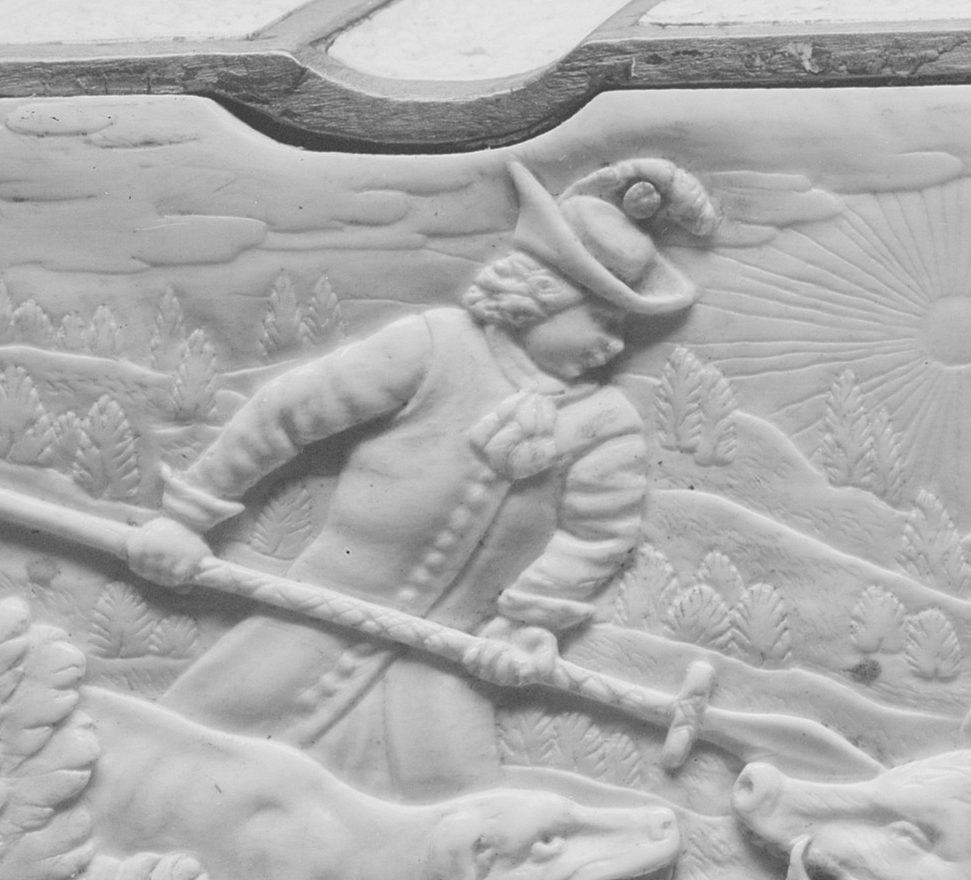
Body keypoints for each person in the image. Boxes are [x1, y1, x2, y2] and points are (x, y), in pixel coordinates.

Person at [123, 157, 715, 800]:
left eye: (625, 329)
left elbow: (596, 536)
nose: (615, 346)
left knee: (455, 807)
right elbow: (286, 416)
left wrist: (529, 622)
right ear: (538, 297)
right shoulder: (434, 347)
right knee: (179, 757)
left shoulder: (607, 423)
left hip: (448, 658)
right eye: (604, 321)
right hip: (314, 614)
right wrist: (186, 518)